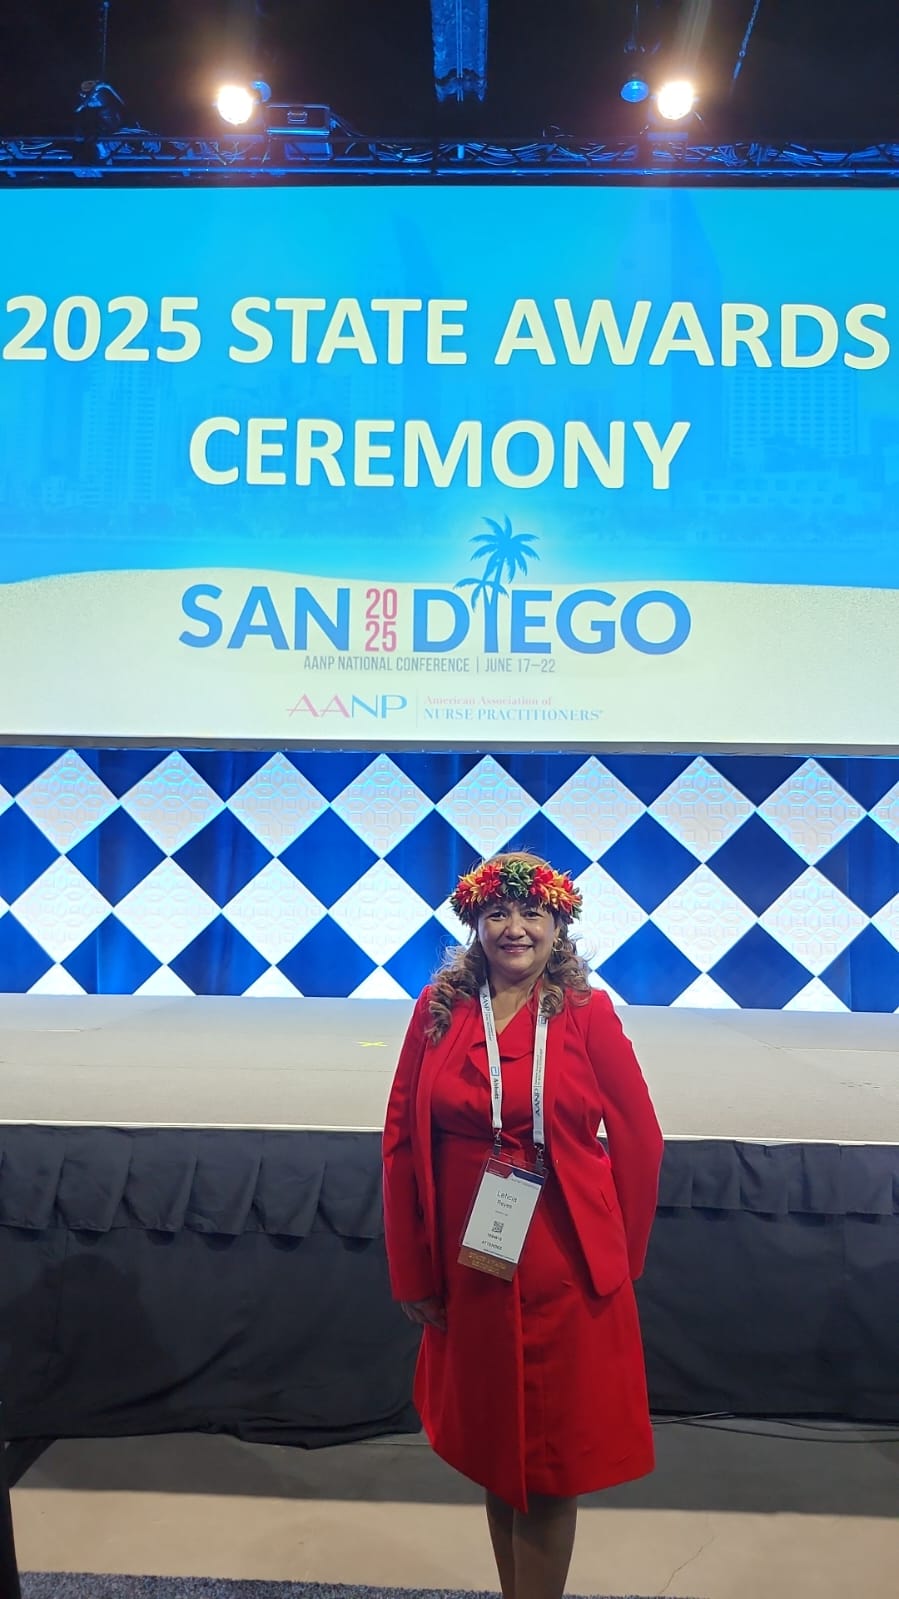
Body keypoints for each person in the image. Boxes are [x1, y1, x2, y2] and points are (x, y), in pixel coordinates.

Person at [382, 850, 664, 1599]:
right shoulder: (436, 1012)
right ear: (473, 923)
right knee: (496, 1450)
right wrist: (411, 1268)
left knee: (545, 1464)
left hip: (565, 1270)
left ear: (557, 924)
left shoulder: (585, 1014)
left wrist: (620, 1258)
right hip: (472, 1262)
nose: (513, 929)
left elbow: (640, 1138)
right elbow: (400, 1141)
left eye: (530, 913)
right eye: (497, 913)